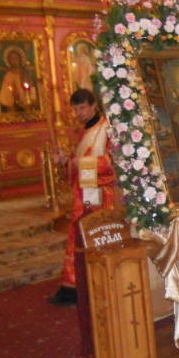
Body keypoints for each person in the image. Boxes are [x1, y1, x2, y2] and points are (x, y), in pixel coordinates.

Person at [49, 89, 116, 306]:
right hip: (85, 190)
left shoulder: (106, 128)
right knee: (78, 236)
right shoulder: (85, 130)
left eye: (83, 107)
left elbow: (112, 162)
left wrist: (82, 163)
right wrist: (64, 160)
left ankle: (94, 284)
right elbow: (78, 164)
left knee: (93, 235)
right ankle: (75, 285)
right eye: (76, 109)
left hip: (101, 193)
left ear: (94, 105)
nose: (79, 112)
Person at [0, 46, 37, 112]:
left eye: (16, 58)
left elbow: (30, 87)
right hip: (13, 102)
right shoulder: (8, 75)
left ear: (20, 59)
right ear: (8, 60)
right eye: (12, 58)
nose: (14, 61)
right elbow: (5, 91)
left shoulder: (24, 73)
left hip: (25, 101)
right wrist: (12, 92)